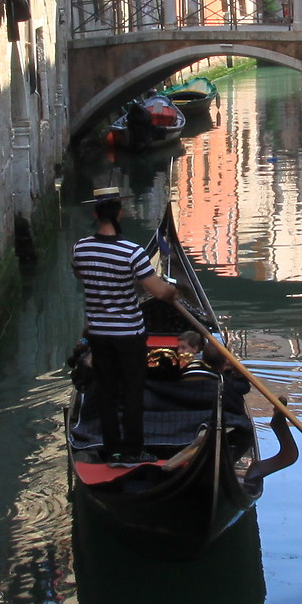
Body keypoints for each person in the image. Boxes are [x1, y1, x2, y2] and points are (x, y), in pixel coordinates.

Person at [72, 186, 177, 462]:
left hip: (99, 334)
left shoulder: (80, 248)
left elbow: (81, 275)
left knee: (106, 391)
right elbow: (159, 292)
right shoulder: (132, 252)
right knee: (132, 392)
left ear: (95, 214)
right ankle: (132, 451)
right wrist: (173, 291)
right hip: (129, 334)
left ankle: (112, 450)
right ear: (120, 212)